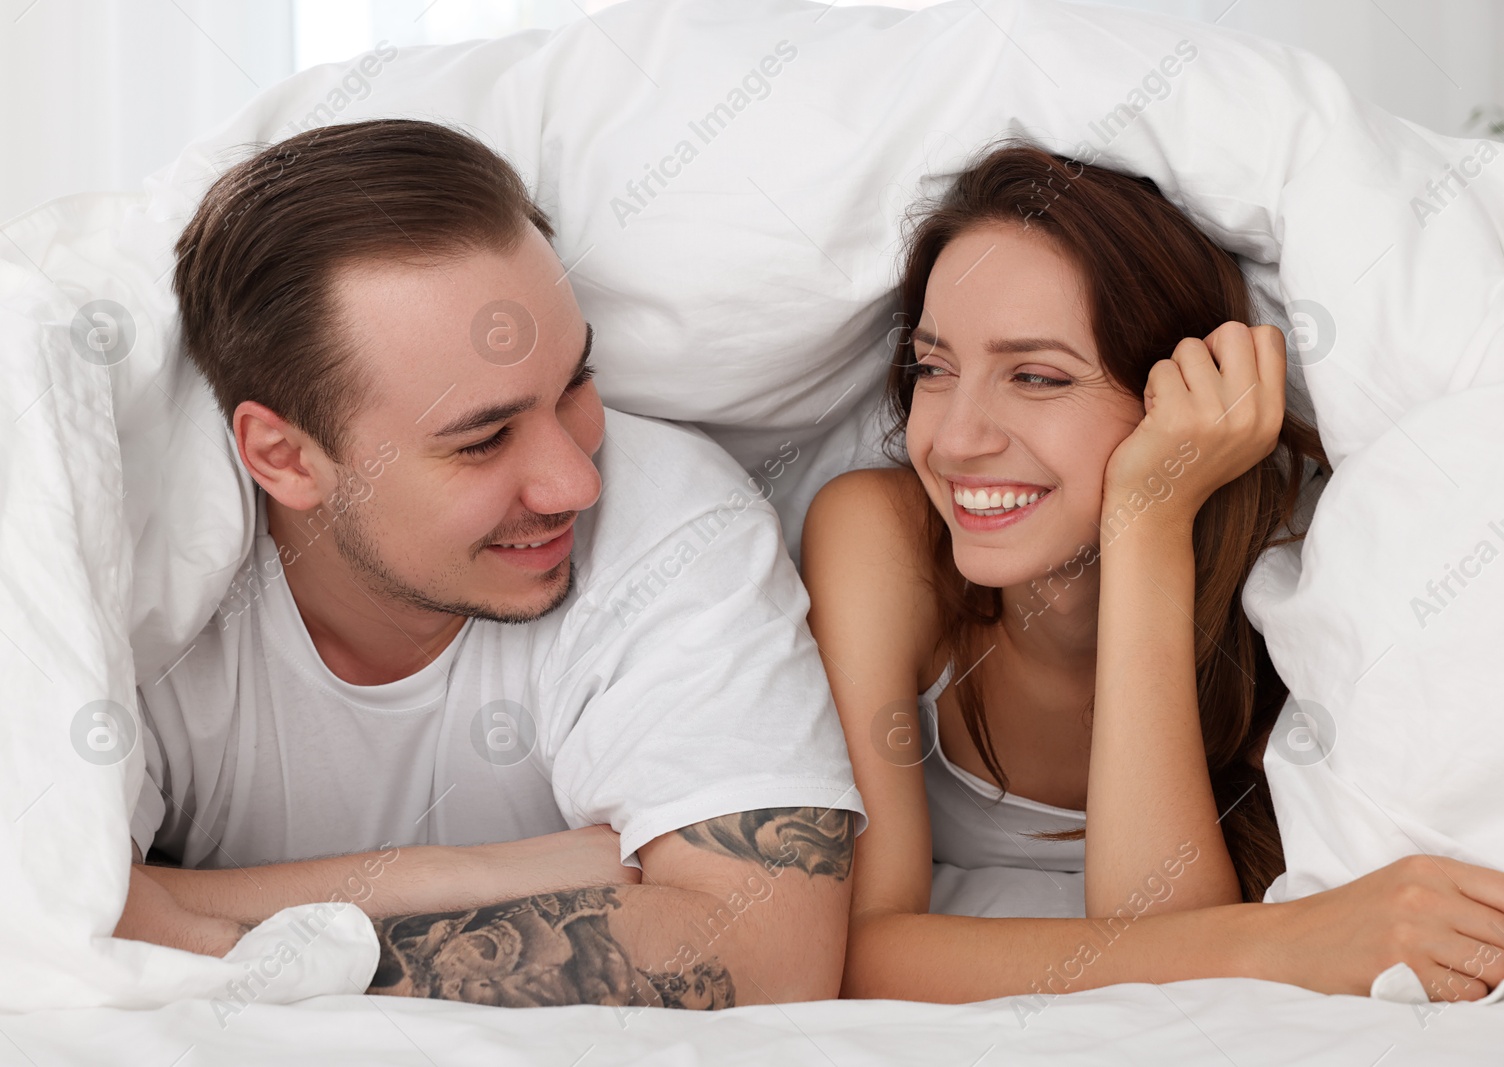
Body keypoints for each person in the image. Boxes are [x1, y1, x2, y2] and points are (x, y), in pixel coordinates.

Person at [114, 118, 864, 1010]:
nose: (576, 481)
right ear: (284, 458)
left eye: (575, 385)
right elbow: (15, 910)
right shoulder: (136, 584)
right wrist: (466, 872)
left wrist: (189, 919)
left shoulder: (676, 521)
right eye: (482, 440)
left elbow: (767, 955)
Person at [803, 142, 1504, 1004]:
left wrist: (1151, 515)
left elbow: (1158, 927)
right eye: (935, 367)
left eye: (1036, 375)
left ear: (1179, 396)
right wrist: (1278, 942)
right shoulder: (880, 536)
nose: (953, 438)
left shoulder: (1301, 577)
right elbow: (860, 948)